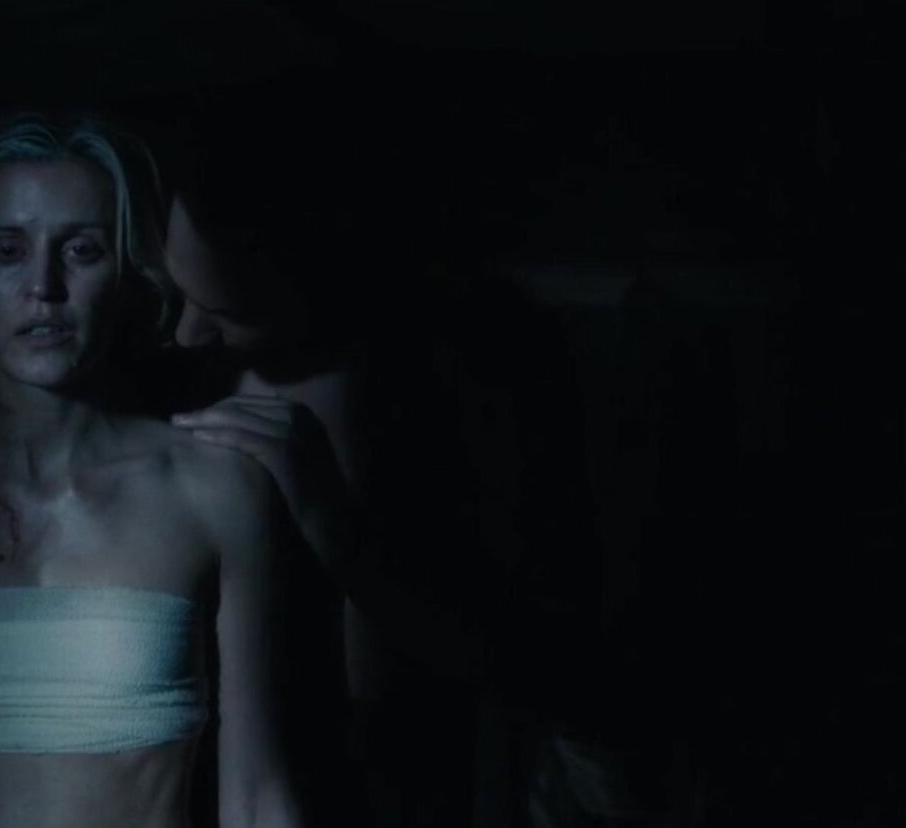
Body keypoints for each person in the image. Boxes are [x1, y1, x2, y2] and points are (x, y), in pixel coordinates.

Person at [157, 105, 624, 826]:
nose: (187, 333)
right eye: (177, 292)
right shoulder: (185, 376)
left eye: (229, 312)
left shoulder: (467, 376)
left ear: (315, 276)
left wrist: (337, 533)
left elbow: (549, 661)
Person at [0, 112, 311, 828]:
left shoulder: (212, 487)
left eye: (82, 250)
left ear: (128, 274)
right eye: (7, 250)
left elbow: (259, 797)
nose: (43, 286)